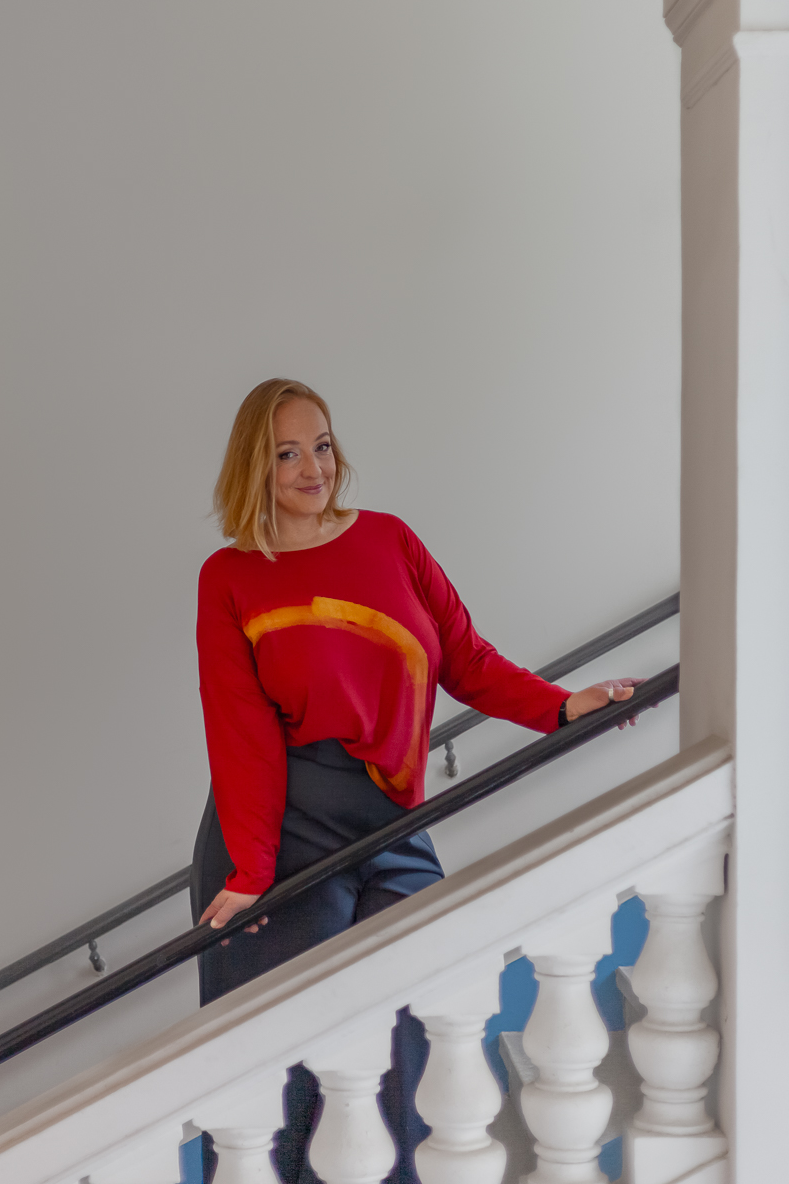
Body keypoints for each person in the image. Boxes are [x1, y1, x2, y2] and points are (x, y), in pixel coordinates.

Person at [190, 377, 641, 1182]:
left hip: (390, 817)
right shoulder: (230, 576)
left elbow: (464, 657)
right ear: (255, 467)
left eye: (321, 445)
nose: (312, 468)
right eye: (287, 454)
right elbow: (239, 729)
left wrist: (560, 707)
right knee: (294, 1076)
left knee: (418, 1033)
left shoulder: (389, 539)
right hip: (281, 822)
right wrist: (251, 869)